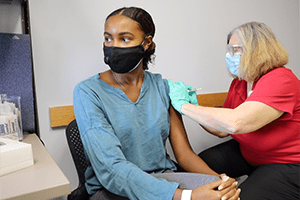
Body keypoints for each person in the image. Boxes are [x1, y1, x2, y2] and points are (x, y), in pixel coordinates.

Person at [73, 6, 241, 200]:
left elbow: (184, 154)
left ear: (147, 42)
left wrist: (219, 182)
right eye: (108, 38)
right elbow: (112, 170)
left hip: (164, 179)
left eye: (124, 38)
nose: (113, 46)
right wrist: (187, 196)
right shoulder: (88, 92)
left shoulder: (163, 87)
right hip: (113, 189)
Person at [168, 21, 300, 200]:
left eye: (236, 50)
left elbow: (236, 123)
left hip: (287, 163)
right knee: (195, 171)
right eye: (229, 50)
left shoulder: (281, 79)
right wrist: (195, 106)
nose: (230, 56)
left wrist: (184, 106)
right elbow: (221, 130)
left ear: (259, 50)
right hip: (250, 153)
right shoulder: (240, 83)